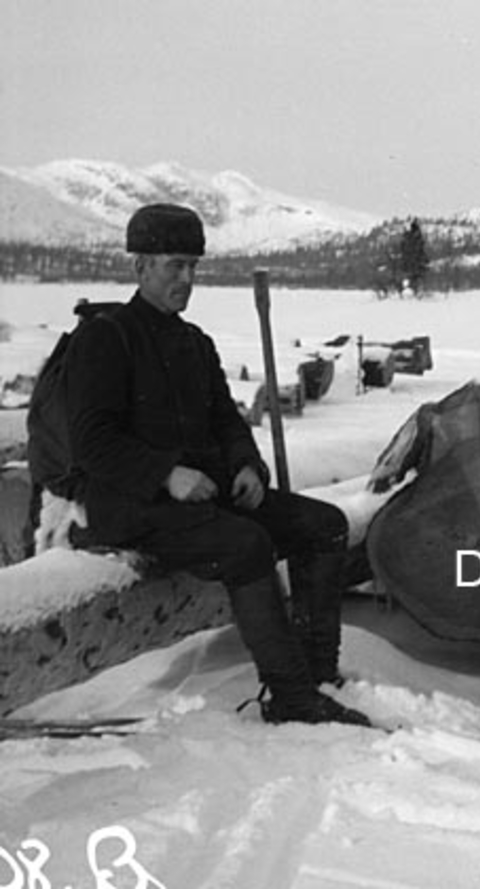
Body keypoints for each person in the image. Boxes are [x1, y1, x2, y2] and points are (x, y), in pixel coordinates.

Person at [64, 203, 370, 727]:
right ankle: (291, 697)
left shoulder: (194, 343)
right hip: (131, 504)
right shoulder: (106, 337)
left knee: (324, 525)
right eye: (173, 265)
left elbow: (228, 422)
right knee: (245, 544)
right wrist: (166, 474)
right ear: (140, 267)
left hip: (203, 497)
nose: (186, 278)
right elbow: (92, 440)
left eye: (193, 267)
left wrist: (248, 466)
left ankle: (317, 674)